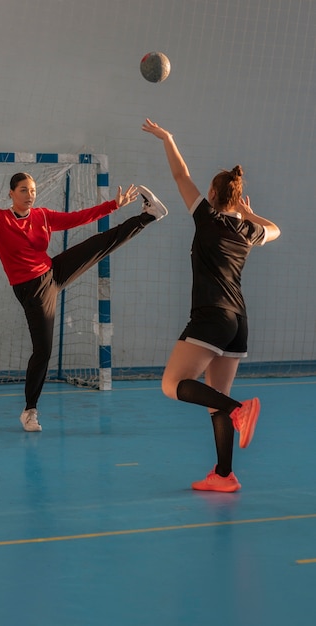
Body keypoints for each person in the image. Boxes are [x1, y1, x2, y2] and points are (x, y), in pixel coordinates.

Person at [0, 159, 168, 432]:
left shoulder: (41, 215)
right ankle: (30, 411)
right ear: (11, 193)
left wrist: (113, 205)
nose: (29, 195)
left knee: (96, 244)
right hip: (32, 290)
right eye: (23, 190)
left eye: (32, 190)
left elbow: (78, 218)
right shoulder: (0, 220)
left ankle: (148, 215)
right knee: (43, 351)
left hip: (52, 271)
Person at [142, 118, 281, 492]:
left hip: (211, 316)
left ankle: (241, 410)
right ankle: (223, 476)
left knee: (173, 384)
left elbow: (178, 173)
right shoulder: (248, 231)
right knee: (215, 399)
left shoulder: (207, 218)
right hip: (238, 321)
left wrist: (168, 138)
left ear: (213, 195)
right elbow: (275, 230)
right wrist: (249, 214)